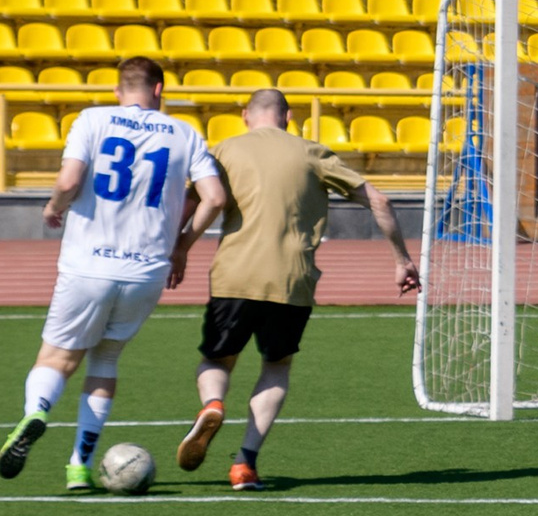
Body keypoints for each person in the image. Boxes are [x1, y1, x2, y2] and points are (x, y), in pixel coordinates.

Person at [176, 89, 422, 490]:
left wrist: (179, 249)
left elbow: (193, 204)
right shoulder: (312, 152)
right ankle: (244, 463)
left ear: (245, 116)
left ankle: (213, 404)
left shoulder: (223, 151)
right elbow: (380, 201)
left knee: (218, 360)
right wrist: (402, 260)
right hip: (292, 279)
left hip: (234, 276)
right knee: (276, 366)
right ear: (288, 117)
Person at [0, 58, 223, 491]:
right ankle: (79, 466)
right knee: (105, 360)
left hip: (88, 264)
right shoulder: (185, 133)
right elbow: (214, 197)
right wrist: (181, 247)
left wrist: (52, 208)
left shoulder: (92, 119)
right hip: (147, 270)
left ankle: (37, 411)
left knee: (57, 359)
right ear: (159, 90)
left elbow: (69, 179)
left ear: (120, 90)